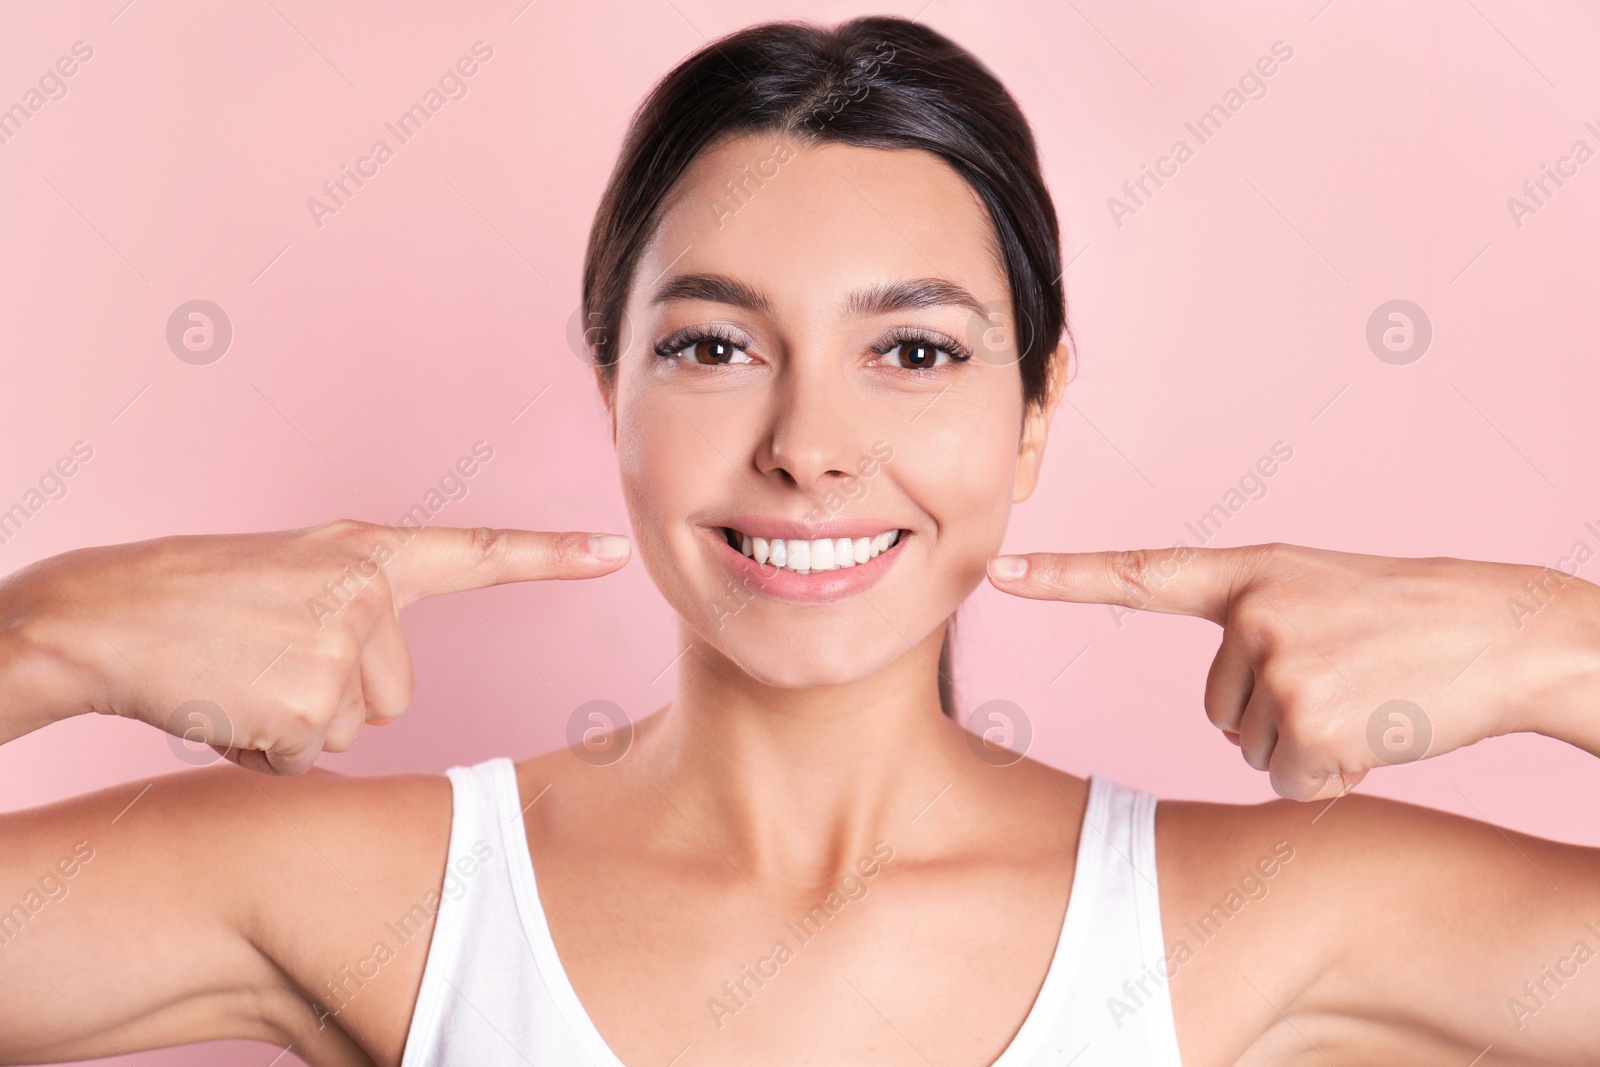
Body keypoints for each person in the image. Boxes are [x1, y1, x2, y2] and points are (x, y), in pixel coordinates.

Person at [3, 14, 1598, 1067]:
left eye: (915, 351)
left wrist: (1557, 646)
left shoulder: (1243, 913)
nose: (809, 446)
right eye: (711, 346)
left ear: (1037, 407)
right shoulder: (382, 892)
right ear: (608, 383)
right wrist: (43, 639)